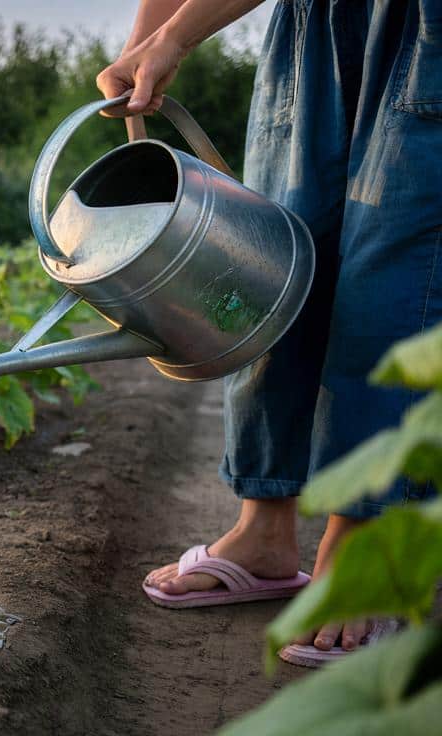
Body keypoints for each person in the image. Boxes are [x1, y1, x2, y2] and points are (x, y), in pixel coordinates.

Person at [100, 0, 441, 666]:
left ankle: (364, 536)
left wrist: (177, 35)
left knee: (395, 269)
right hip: (312, 25)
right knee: (276, 259)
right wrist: (141, 46)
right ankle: (264, 530)